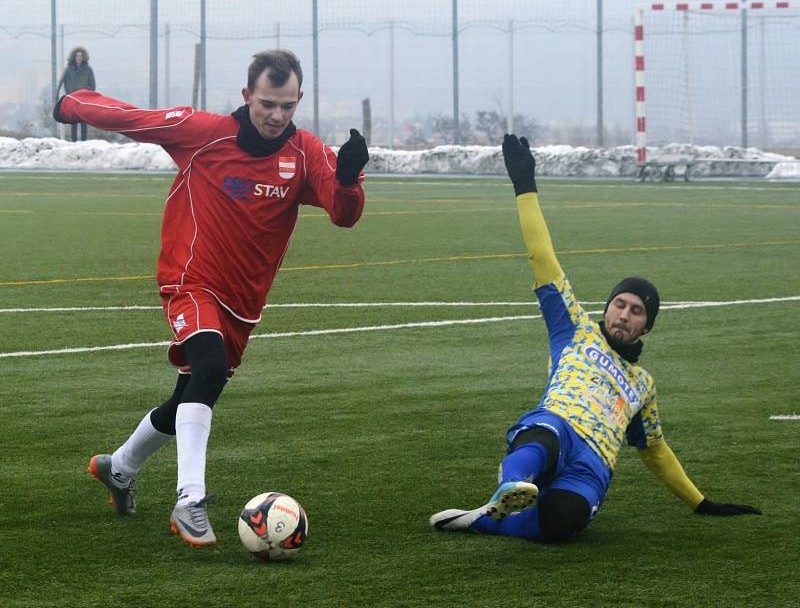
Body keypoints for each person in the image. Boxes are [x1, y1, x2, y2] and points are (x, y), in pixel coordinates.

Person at [53, 49, 369, 547]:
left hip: (243, 302)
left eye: (287, 106)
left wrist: (348, 178)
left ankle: (118, 467)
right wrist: (72, 102)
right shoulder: (204, 134)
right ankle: (190, 500)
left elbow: (344, 214)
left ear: (299, 101)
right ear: (247, 96)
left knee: (188, 397)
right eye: (267, 103)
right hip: (190, 279)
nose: (276, 115)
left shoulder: (306, 153)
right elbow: (136, 120)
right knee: (208, 368)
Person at [430, 134, 761, 542]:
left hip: (594, 465)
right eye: (619, 303)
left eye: (636, 310)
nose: (624, 313)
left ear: (647, 326)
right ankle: (511, 484)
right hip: (562, 426)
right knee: (542, 439)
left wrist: (701, 502)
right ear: (607, 307)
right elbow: (543, 257)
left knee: (563, 523)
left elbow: (655, 451)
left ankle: (483, 519)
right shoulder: (574, 327)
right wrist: (524, 187)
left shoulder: (643, 385)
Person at [56, 46, 96, 141]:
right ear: (74, 57)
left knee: (83, 121)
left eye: (81, 56)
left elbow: (93, 85)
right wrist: (58, 94)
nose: (79, 58)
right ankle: (73, 141)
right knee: (73, 120)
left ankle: (83, 141)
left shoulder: (88, 69)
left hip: (84, 99)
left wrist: (88, 93)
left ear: (83, 57)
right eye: (77, 56)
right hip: (72, 98)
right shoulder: (68, 69)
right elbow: (61, 82)